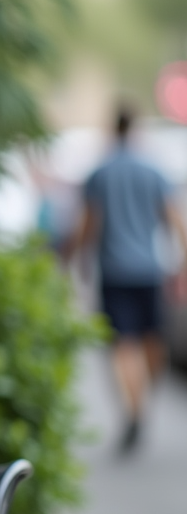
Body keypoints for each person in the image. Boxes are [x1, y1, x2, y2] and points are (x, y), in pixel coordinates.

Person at [67, 106, 187, 453]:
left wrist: (74, 260)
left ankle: (135, 408)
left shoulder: (100, 173)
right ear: (136, 129)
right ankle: (141, 402)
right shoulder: (153, 170)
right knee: (152, 341)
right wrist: (182, 264)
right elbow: (174, 219)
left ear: (111, 129)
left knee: (123, 345)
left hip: (115, 270)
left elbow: (87, 223)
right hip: (150, 269)